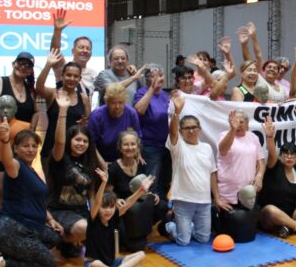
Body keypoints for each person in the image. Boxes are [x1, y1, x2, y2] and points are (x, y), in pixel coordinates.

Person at [0, 123, 62, 267]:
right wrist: (5, 141)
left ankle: (8, 255)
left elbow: (37, 199)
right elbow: (7, 162)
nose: (30, 150)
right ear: (16, 149)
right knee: (49, 265)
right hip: (11, 229)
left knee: (54, 238)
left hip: (29, 228)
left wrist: (50, 220)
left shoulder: (31, 170)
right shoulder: (16, 166)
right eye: (25, 146)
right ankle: (4, 265)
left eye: (34, 146)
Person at [47, 91, 102, 257]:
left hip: (80, 211)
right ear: (70, 140)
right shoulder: (60, 158)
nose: (81, 144)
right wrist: (62, 112)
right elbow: (59, 141)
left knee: (98, 228)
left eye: (85, 141)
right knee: (85, 229)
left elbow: (91, 195)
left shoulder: (90, 162)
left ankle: (68, 241)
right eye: (77, 140)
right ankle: (61, 238)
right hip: (59, 209)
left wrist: (96, 217)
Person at [164, 92, 216, 246]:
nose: (191, 131)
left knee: (203, 239)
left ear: (199, 129)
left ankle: (187, 227)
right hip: (183, 200)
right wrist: (177, 113)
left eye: (194, 127)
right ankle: (169, 225)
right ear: (181, 132)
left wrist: (217, 198)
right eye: (187, 128)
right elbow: (172, 132)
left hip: (204, 201)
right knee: (183, 241)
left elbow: (213, 173)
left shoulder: (207, 148)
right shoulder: (178, 146)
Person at [84, 169, 151, 267]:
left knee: (141, 254)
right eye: (104, 207)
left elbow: (128, 203)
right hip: (93, 265)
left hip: (111, 263)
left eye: (111, 207)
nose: (108, 210)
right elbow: (98, 201)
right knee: (96, 264)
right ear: (98, 209)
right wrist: (104, 182)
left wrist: (141, 190)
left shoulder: (113, 218)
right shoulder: (94, 220)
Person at [107, 130, 167, 250]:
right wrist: (116, 199)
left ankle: (143, 230)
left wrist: (151, 194)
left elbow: (142, 186)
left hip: (139, 206)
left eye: (133, 144)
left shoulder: (141, 164)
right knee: (136, 247)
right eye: (126, 144)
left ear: (138, 147)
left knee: (162, 205)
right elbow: (108, 193)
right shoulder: (113, 168)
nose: (130, 147)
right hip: (124, 210)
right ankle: (134, 233)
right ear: (119, 147)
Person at [37, 49, 91, 173]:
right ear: (62, 76)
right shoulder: (52, 94)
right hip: (51, 149)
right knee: (52, 189)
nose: (72, 78)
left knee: (71, 189)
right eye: (68, 75)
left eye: (75, 76)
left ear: (79, 78)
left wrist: (84, 122)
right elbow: (39, 87)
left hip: (75, 151)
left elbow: (86, 121)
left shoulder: (83, 98)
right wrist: (48, 65)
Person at [213, 110, 265, 232]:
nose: (239, 125)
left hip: (248, 194)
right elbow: (223, 150)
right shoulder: (224, 135)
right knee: (227, 234)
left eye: (241, 122)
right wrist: (232, 130)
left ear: (247, 124)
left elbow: (261, 161)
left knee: (246, 236)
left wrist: (260, 175)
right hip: (227, 194)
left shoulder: (253, 137)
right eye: (235, 122)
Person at [0, 95, 30, 234]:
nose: (5, 111)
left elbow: (30, 149)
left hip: (18, 166)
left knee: (18, 198)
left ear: (16, 109)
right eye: (2, 107)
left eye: (9, 107)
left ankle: (18, 228)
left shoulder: (25, 126)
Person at [133, 65, 172, 199]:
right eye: (155, 76)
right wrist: (151, 88)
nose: (159, 79)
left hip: (167, 145)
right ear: (148, 78)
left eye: (161, 75)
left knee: (165, 180)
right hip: (150, 146)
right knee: (151, 181)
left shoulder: (166, 95)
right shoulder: (142, 92)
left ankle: (161, 211)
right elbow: (139, 110)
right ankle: (148, 208)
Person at [88, 83, 141, 163]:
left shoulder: (131, 113)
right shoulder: (96, 116)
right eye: (113, 103)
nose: (117, 106)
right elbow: (91, 143)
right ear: (107, 102)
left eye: (120, 102)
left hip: (125, 159)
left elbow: (137, 138)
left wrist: (137, 154)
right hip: (102, 157)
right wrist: (100, 161)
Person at [49, 8, 98, 96]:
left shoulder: (94, 74)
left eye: (88, 48)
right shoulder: (64, 68)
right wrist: (57, 31)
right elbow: (55, 51)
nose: (85, 51)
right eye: (81, 47)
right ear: (72, 51)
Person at [0, 51, 37, 126]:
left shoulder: (31, 91)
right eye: (21, 63)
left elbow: (37, 114)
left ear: (30, 71)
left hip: (23, 136)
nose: (23, 67)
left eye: (28, 65)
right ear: (13, 64)